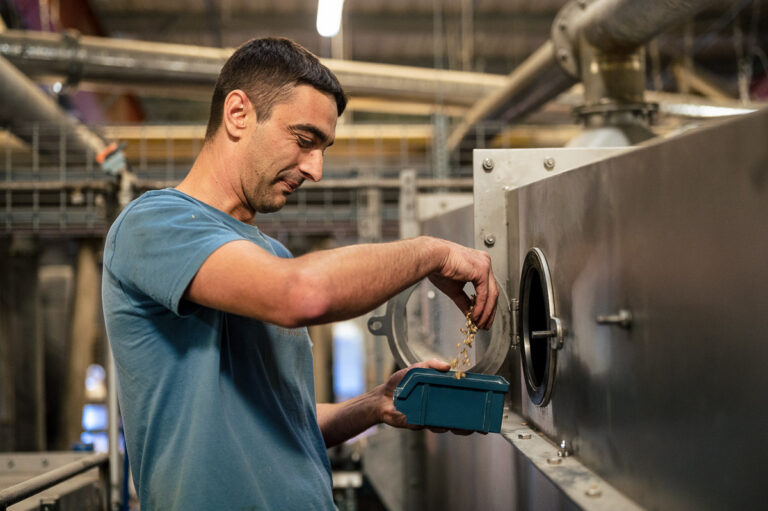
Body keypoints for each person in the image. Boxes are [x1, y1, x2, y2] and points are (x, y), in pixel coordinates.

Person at [102, 37, 499, 510]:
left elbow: (282, 418)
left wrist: (372, 404)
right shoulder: (154, 223)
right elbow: (302, 295)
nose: (316, 169)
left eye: (323, 148)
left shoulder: (270, 252)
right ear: (237, 114)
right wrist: (431, 252)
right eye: (305, 140)